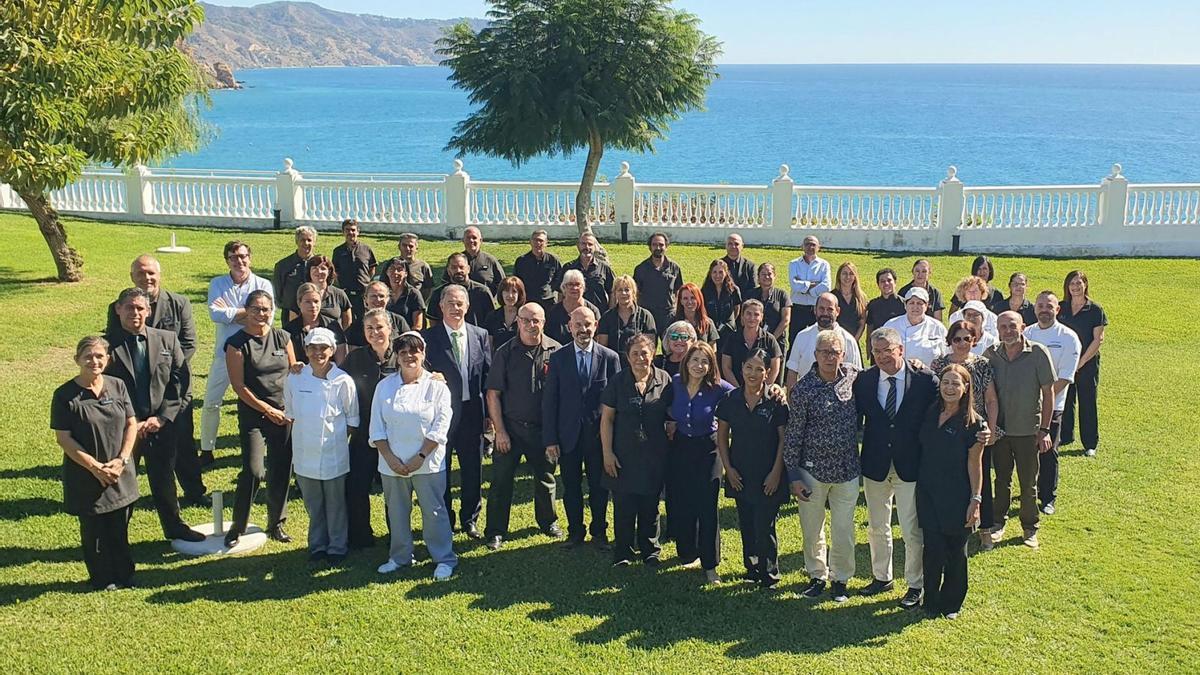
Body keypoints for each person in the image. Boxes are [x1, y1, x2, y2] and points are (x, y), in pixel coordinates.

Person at [104, 288, 203, 542]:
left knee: (164, 479)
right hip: (125, 429)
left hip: (160, 424)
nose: (134, 313)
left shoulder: (167, 339)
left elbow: (180, 381)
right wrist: (131, 422)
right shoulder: (105, 346)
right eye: (128, 307)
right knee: (122, 482)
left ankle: (174, 527)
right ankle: (116, 536)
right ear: (118, 310)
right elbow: (100, 388)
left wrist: (162, 418)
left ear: (148, 311)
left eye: (140, 308)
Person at [853, 327, 938, 607]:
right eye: (876, 351)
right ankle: (881, 577)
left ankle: (915, 584)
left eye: (887, 350)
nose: (882, 357)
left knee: (912, 529)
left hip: (910, 465)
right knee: (878, 526)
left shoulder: (925, 380)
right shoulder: (864, 381)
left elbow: (948, 407)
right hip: (875, 465)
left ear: (901, 350)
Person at [52, 336, 139, 590]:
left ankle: (126, 575)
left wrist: (122, 460)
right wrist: (94, 467)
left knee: (120, 527)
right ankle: (102, 578)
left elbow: (131, 423)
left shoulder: (118, 385)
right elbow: (63, 438)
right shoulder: (65, 395)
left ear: (108, 359)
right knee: (95, 532)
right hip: (86, 473)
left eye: (100, 356)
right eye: (88, 356)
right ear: (77, 359)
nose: (94, 361)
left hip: (119, 470)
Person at [370, 331, 457, 581]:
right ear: (397, 357)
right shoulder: (384, 387)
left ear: (423, 354)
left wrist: (420, 456)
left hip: (427, 462)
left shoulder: (437, 386)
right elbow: (376, 427)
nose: (409, 356)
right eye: (403, 352)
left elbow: (441, 425)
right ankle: (400, 557)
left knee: (434, 512)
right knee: (396, 512)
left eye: (414, 351)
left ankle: (444, 558)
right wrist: (390, 459)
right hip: (392, 465)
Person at [784, 330, 861, 602]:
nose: (830, 357)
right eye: (824, 352)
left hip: (847, 470)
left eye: (835, 352)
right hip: (811, 472)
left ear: (843, 354)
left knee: (843, 529)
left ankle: (841, 579)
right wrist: (793, 475)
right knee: (812, 527)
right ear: (815, 355)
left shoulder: (854, 378)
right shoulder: (804, 389)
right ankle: (817, 575)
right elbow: (793, 435)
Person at [484, 303, 562, 549]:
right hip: (511, 429)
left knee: (546, 478)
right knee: (501, 482)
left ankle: (548, 521)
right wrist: (500, 432)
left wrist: (555, 434)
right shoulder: (505, 353)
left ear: (544, 322)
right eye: (526, 320)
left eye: (536, 320)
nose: (531, 325)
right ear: (517, 322)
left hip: (544, 430)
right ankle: (495, 530)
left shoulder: (556, 352)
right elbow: (493, 394)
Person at [223, 290, 297, 548]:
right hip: (254, 413)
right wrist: (267, 410)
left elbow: (292, 371)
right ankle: (238, 525)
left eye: (266, 309)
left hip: (284, 414)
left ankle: (276, 522)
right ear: (247, 310)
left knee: (281, 469)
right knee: (254, 471)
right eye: (256, 309)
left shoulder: (282, 337)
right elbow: (239, 386)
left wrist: (288, 410)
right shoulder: (236, 343)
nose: (262, 314)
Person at [544, 306, 621, 549]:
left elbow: (616, 402)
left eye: (587, 324)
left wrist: (614, 439)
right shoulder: (558, 358)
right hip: (568, 436)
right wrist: (550, 439)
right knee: (571, 487)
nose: (583, 329)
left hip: (600, 437)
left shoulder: (610, 358)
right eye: (578, 325)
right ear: (570, 327)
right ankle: (575, 532)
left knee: (599, 488)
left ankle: (599, 532)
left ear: (596, 326)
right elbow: (550, 401)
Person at [917, 363, 987, 619]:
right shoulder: (930, 411)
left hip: (957, 495)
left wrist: (975, 499)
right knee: (932, 548)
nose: (949, 388)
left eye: (956, 383)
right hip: (928, 491)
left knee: (955, 551)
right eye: (945, 382)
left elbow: (975, 464)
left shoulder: (975, 425)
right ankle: (931, 600)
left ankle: (952, 603)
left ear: (966, 387)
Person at [284, 328, 358, 565]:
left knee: (336, 503)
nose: (318, 353)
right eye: (313, 348)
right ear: (305, 350)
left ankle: (337, 546)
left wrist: (333, 440)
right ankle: (317, 545)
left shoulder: (343, 381)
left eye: (323, 348)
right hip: (305, 454)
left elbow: (351, 419)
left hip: (334, 455)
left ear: (333, 350)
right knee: (314, 504)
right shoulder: (294, 378)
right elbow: (291, 414)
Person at [422, 285, 491, 539]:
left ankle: (470, 518)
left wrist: (489, 415)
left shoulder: (480, 335)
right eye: (450, 303)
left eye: (460, 303)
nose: (456, 308)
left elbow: (487, 374)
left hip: (473, 412)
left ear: (468, 306)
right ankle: (445, 518)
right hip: (440, 415)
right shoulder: (428, 338)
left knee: (473, 468)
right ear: (440, 306)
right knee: (441, 467)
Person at [715, 348, 788, 590]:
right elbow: (722, 436)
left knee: (765, 523)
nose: (753, 373)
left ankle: (769, 573)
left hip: (768, 472)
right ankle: (752, 567)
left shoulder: (776, 402)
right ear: (741, 369)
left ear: (768, 373)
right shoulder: (730, 400)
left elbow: (783, 440)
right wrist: (729, 469)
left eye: (759, 369)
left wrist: (776, 472)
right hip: (740, 472)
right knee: (746, 520)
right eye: (748, 367)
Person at [983, 311, 1056, 549]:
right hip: (1000, 432)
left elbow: (1048, 393)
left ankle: (1029, 527)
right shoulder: (991, 354)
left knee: (1028, 483)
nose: (1007, 331)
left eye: (1012, 326)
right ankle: (997, 523)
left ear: (1022, 327)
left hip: (1028, 431)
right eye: (1002, 327)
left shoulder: (1037, 353)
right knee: (1001, 480)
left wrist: (1045, 430)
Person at [601, 334, 674, 567]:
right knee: (623, 504)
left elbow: (673, 413)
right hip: (623, 453)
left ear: (653, 354)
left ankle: (650, 549)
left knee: (650, 503)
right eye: (635, 353)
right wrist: (607, 453)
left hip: (655, 454)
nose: (640, 358)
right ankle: (623, 551)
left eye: (645, 353)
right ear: (627, 356)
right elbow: (607, 420)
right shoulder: (618, 381)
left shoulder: (665, 380)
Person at [931, 320, 1001, 550]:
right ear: (950, 340)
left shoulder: (982, 364)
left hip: (975, 429)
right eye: (957, 338)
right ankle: (951, 523)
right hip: (947, 430)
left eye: (967, 339)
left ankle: (985, 530)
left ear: (974, 340)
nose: (962, 343)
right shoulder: (940, 363)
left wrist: (989, 428)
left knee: (980, 481)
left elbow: (991, 399)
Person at [200, 240, 273, 459]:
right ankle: (207, 448)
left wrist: (232, 314)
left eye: (242, 256)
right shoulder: (217, 284)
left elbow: (266, 319)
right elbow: (215, 314)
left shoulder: (263, 285)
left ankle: (264, 449)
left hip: (255, 354)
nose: (239, 261)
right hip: (224, 355)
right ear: (227, 261)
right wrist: (251, 314)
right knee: (211, 402)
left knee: (263, 402)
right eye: (233, 257)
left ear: (249, 258)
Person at [666, 342, 733, 583]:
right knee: (683, 502)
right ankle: (686, 552)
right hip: (681, 448)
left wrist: (774, 391)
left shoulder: (719, 388)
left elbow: (744, 394)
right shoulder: (674, 383)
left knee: (707, 506)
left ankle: (710, 563)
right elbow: (661, 408)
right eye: (694, 360)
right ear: (686, 362)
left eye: (704, 361)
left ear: (711, 365)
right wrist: (669, 422)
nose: (699, 365)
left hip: (709, 450)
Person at [340, 309, 402, 549]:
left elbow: (423, 375)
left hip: (395, 435)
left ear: (390, 329)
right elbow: (334, 380)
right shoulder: (355, 360)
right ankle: (360, 536)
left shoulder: (401, 355)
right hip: (364, 434)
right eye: (370, 329)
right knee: (356, 486)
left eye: (380, 327)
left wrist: (436, 376)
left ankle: (396, 535)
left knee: (394, 490)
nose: (376, 332)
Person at [1023, 291, 1081, 515]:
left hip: (1053, 405)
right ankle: (1029, 489)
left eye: (1049, 306)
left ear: (1057, 310)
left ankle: (1048, 497)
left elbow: (1065, 377)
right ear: (1035, 308)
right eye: (1040, 306)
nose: (1044, 310)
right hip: (1024, 405)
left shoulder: (1068, 337)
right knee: (1026, 452)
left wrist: (1042, 399)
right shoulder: (1026, 333)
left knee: (1048, 450)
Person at [1058, 270, 1107, 457]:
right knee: (1065, 399)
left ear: (1085, 285)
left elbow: (1098, 339)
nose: (1076, 287)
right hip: (1064, 362)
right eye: (1072, 283)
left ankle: (1089, 443)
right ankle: (1065, 435)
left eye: (1079, 283)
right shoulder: (1061, 307)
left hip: (1087, 363)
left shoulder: (1095, 309)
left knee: (1087, 401)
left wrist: (1081, 361)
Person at [785, 293, 863, 387]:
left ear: (837, 311)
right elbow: (792, 372)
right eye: (821, 309)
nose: (825, 313)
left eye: (830, 309)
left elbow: (857, 376)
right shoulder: (802, 336)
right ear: (815, 310)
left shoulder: (848, 340)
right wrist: (791, 399)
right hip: (806, 397)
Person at [283, 283, 348, 364]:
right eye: (308, 302)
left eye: (316, 301)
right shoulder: (289, 330)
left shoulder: (332, 325)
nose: (313, 305)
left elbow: (341, 360)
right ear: (299, 303)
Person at [721, 299, 782, 386]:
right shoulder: (732, 338)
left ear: (761, 317)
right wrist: (737, 390)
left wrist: (763, 390)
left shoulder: (770, 340)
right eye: (748, 313)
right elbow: (726, 367)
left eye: (756, 314)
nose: (752, 318)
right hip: (736, 389)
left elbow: (775, 368)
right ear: (742, 316)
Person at [597, 275, 657, 363]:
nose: (623, 293)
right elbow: (602, 348)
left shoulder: (646, 316)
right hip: (614, 365)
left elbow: (650, 347)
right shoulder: (607, 318)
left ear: (633, 292)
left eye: (627, 290)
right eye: (620, 290)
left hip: (638, 363)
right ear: (615, 293)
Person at [883, 288, 947, 367]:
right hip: (900, 374)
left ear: (926, 306)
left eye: (919, 303)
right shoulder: (891, 325)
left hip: (930, 375)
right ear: (905, 305)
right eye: (911, 303)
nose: (915, 306)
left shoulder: (937, 327)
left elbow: (947, 354)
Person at [633, 232, 684, 333]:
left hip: (668, 316)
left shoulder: (674, 268)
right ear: (650, 247)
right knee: (647, 347)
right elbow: (635, 293)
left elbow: (679, 291)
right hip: (647, 316)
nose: (658, 247)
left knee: (670, 347)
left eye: (661, 245)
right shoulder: (641, 269)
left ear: (666, 247)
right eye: (654, 244)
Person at [427, 254, 495, 327]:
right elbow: (433, 321)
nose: (458, 270)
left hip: (476, 337)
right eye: (454, 267)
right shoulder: (438, 294)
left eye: (461, 267)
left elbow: (492, 319)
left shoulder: (482, 292)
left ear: (468, 269)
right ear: (448, 270)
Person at [787, 235, 832, 344]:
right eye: (807, 244)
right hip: (798, 307)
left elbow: (826, 286)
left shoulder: (824, 265)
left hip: (816, 308)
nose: (810, 247)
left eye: (813, 244)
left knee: (817, 340)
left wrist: (804, 286)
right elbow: (794, 285)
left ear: (818, 247)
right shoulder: (794, 264)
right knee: (795, 339)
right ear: (802, 246)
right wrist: (814, 284)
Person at [440, 226, 506, 295]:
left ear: (480, 241)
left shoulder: (490, 260)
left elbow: (503, 285)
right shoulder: (456, 261)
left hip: (484, 303)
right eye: (468, 238)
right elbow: (445, 284)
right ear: (463, 240)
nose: (471, 240)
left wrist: (493, 300)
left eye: (474, 238)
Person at [555, 232, 615, 309]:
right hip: (573, 316)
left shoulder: (604, 268)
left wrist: (610, 313)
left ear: (595, 247)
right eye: (583, 244)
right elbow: (561, 293)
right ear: (578, 246)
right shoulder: (568, 268)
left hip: (599, 316)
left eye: (590, 244)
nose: (587, 247)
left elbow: (613, 292)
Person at [331, 218, 376, 317]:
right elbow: (335, 272)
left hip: (363, 293)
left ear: (358, 232)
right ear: (343, 232)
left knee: (364, 319)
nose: (350, 232)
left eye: (353, 230)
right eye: (347, 230)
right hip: (345, 293)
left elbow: (372, 269)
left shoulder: (366, 249)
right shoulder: (338, 251)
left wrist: (365, 281)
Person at [344, 281, 410, 348]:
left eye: (381, 296)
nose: (378, 299)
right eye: (373, 296)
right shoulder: (356, 326)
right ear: (365, 299)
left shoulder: (399, 321)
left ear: (388, 299)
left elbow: (409, 344)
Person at [545, 269, 602, 346]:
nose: (574, 288)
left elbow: (598, 339)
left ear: (583, 287)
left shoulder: (593, 311)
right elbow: (548, 340)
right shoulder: (553, 312)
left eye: (578, 284)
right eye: (570, 284)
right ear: (564, 287)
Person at [273, 226, 317, 322]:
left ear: (314, 242)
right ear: (296, 242)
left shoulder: (320, 265)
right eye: (302, 240)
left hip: (314, 312)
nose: (306, 243)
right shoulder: (283, 265)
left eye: (309, 240)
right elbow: (278, 292)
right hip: (290, 313)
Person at [744, 262, 790, 351]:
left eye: (769, 274)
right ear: (758, 277)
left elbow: (786, 320)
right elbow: (744, 317)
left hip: (776, 341)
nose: (766, 277)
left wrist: (770, 339)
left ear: (774, 276)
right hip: (753, 342)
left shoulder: (782, 295)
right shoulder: (750, 294)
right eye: (763, 274)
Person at [513, 229, 562, 311]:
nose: (538, 243)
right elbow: (516, 284)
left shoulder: (553, 260)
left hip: (548, 303)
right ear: (530, 242)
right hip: (527, 302)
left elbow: (560, 284)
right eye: (535, 240)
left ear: (546, 243)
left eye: (541, 240)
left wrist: (560, 305)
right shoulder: (521, 261)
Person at [378, 233, 434, 303]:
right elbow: (382, 285)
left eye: (411, 246)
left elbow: (429, 288)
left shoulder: (423, 266)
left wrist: (420, 303)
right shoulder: (390, 265)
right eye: (404, 245)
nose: (407, 249)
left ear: (416, 248)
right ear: (399, 246)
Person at [305, 255, 353, 330]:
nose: (319, 271)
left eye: (323, 268)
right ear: (309, 271)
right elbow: (294, 322)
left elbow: (347, 323)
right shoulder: (300, 293)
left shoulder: (339, 294)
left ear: (329, 271)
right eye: (315, 268)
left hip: (334, 339)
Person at [701, 259, 742, 343]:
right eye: (714, 272)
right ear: (710, 273)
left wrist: (731, 322)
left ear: (726, 273)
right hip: (710, 331)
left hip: (728, 330)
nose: (717, 275)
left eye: (720, 272)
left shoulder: (734, 290)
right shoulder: (705, 290)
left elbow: (737, 308)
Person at [484, 276, 526, 353]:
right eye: (506, 291)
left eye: (514, 291)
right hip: (498, 361)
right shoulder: (492, 316)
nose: (510, 295)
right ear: (501, 293)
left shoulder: (525, 316)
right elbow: (488, 346)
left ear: (519, 294)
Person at [948, 276, 998, 340]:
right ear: (964, 294)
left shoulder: (993, 318)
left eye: (975, 291)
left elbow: (995, 342)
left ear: (982, 292)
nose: (972, 294)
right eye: (969, 291)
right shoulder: (955, 317)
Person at [381, 259, 426, 329]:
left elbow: (418, 325)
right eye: (392, 269)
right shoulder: (381, 293)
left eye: (399, 269)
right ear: (387, 272)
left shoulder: (414, 294)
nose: (395, 272)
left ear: (406, 273)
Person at [865, 267, 906, 335]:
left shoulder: (904, 304)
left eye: (889, 280)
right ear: (878, 285)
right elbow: (870, 329)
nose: (886, 283)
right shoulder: (873, 305)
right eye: (882, 281)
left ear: (895, 282)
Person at [834, 261, 868, 341]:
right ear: (839, 276)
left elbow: (862, 322)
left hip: (854, 341)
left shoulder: (861, 297)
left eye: (851, 274)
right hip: (836, 341)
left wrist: (854, 341)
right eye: (844, 273)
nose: (848, 277)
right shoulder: (832, 296)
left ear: (855, 277)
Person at [721, 233, 758, 298]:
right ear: (726, 246)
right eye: (730, 244)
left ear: (742, 246)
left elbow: (753, 289)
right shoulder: (718, 265)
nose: (733, 247)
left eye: (736, 244)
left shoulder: (750, 266)